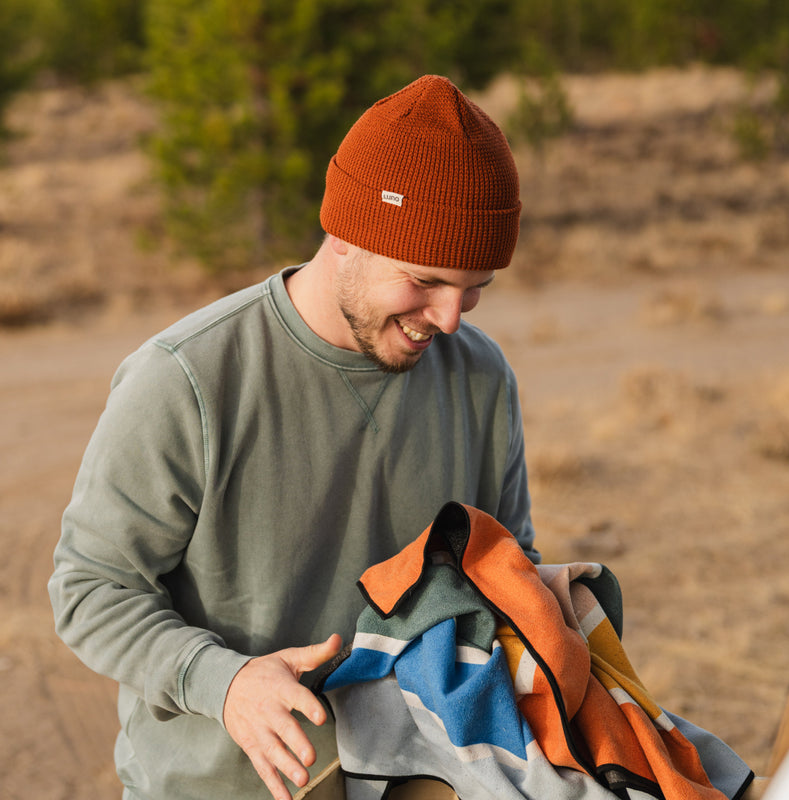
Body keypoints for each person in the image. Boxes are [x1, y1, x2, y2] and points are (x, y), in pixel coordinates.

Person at [48, 74, 538, 800]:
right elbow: (89, 588)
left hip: (419, 782)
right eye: (426, 280)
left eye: (474, 288)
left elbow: (508, 564)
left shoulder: (480, 376)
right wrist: (227, 682)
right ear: (346, 235)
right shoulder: (186, 380)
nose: (450, 319)